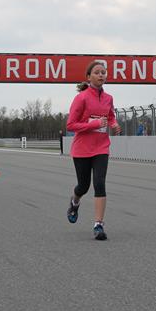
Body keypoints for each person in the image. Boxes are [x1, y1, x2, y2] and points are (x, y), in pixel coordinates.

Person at [66, 61, 121, 241]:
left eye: (103, 72)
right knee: (83, 186)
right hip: (82, 149)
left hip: (101, 148)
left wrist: (114, 125)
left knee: (99, 183)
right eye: (97, 72)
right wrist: (94, 124)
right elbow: (71, 125)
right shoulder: (81, 98)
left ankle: (98, 225)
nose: (101, 75)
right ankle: (75, 202)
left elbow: (110, 117)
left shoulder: (108, 98)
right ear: (89, 77)